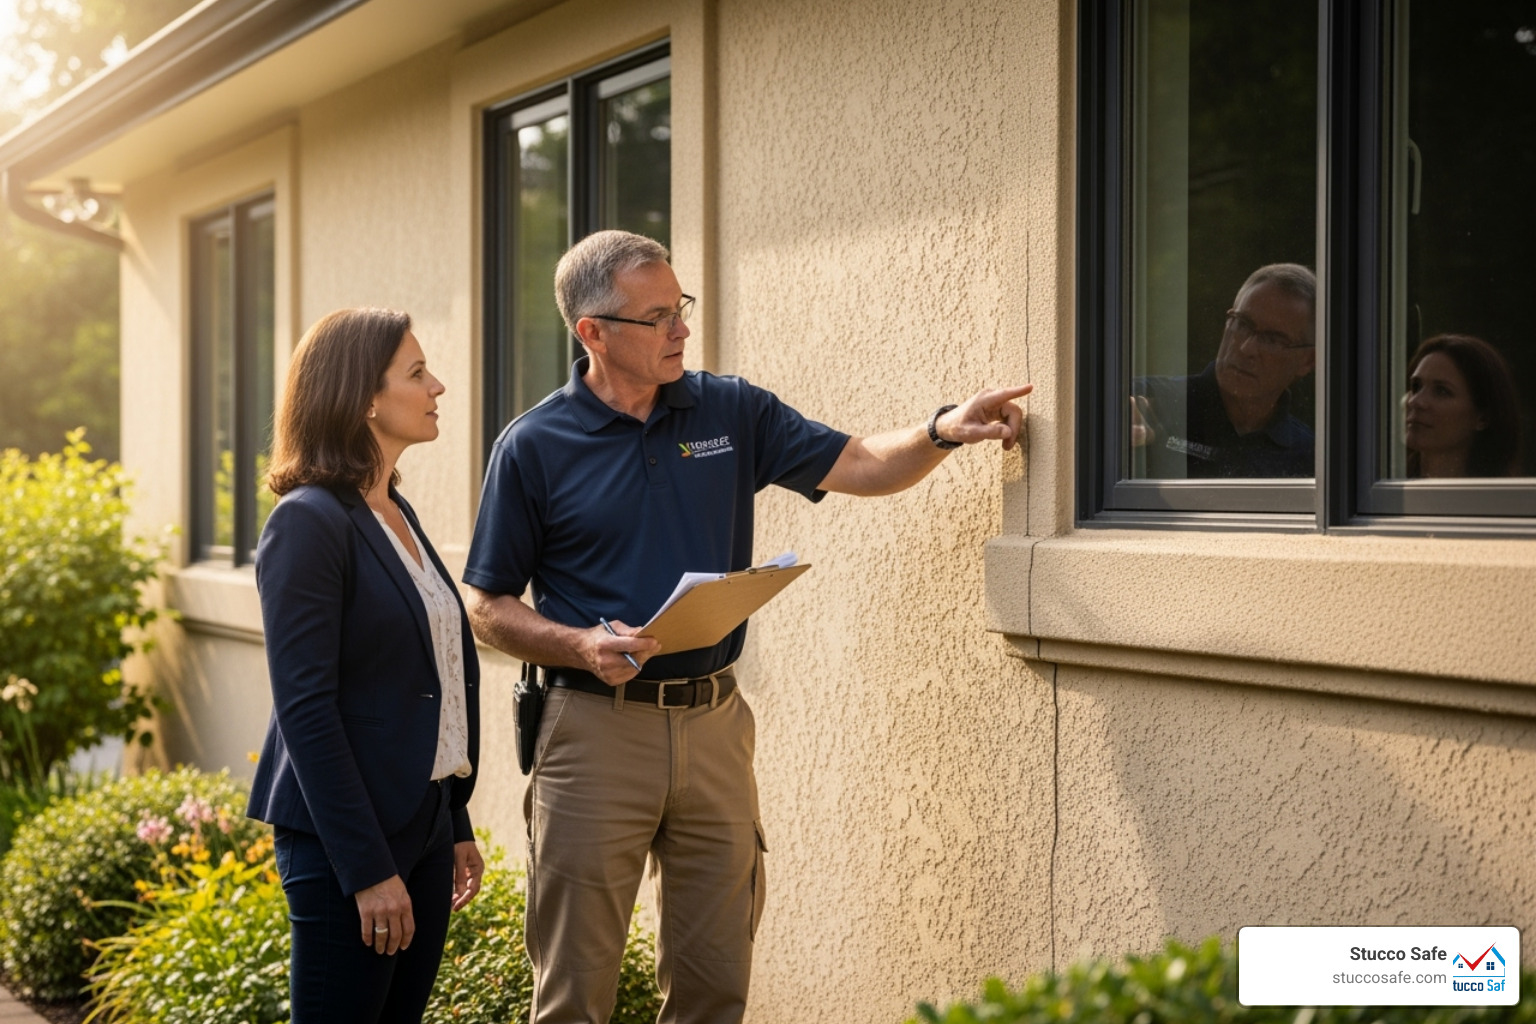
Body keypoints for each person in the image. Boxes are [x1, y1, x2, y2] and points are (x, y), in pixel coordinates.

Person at [462, 229, 1031, 1024]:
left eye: (681, 307)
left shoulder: (729, 409)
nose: (682, 329)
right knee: (574, 996)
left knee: (716, 982)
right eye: (657, 317)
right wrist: (580, 645)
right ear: (593, 332)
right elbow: (486, 604)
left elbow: (861, 462)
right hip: (593, 731)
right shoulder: (533, 446)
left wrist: (941, 429)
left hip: (715, 727)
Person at [248, 307, 485, 1024]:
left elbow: (427, 678)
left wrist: (455, 820)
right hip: (347, 843)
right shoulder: (307, 521)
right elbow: (306, 710)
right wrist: (367, 870)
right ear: (364, 400)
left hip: (423, 822)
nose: (437, 386)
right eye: (417, 373)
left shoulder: (394, 511)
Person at [1130, 263, 1316, 478]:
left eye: (1273, 340)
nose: (1246, 348)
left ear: (1307, 361)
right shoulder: (1150, 402)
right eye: (1242, 324)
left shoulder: (1310, 458)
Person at [1403, 333, 1522, 477]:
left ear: (1482, 418)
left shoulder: (1505, 491)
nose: (1415, 401)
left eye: (1441, 391)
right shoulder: (1385, 484)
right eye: (1416, 387)